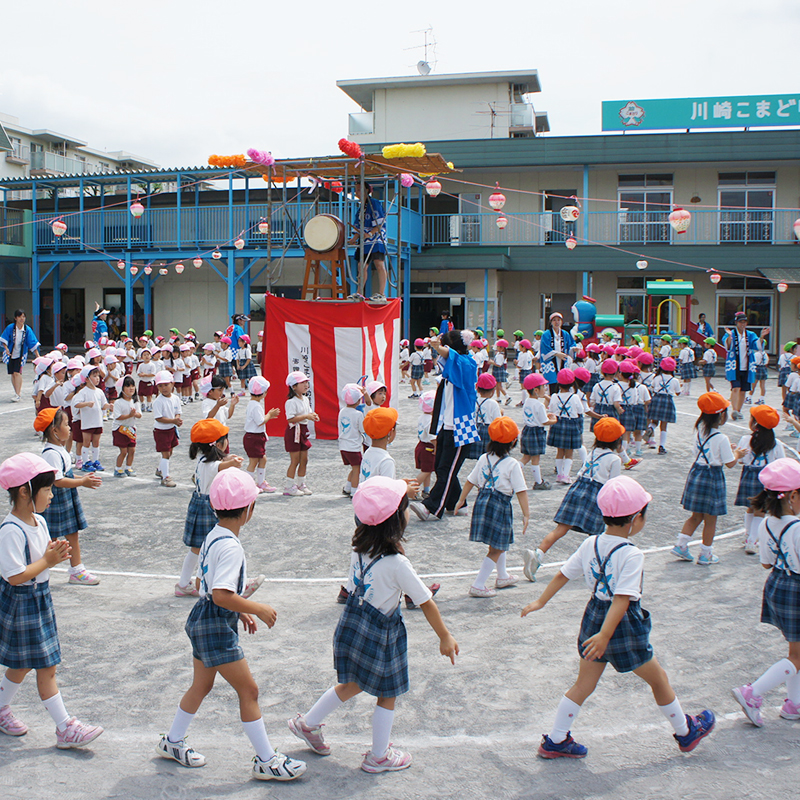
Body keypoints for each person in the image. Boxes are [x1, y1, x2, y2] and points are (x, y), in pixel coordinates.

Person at [522, 475, 715, 758]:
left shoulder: (591, 544)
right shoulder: (632, 554)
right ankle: (686, 732)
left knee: (583, 684)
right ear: (637, 519)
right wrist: (606, 634)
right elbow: (623, 599)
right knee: (658, 678)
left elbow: (564, 573)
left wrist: (541, 601)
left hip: (594, 616)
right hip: (620, 625)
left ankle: (556, 739)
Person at [287, 476, 458, 773]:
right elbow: (426, 602)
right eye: (405, 508)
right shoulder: (397, 564)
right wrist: (444, 636)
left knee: (352, 683)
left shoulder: (359, 548)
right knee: (387, 692)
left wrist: (400, 488)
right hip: (381, 631)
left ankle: (308, 723)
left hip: (355, 621)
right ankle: (379, 756)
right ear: (396, 522)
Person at [158, 469, 306, 781]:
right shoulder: (231, 546)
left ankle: (172, 741)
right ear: (249, 509)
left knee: (202, 684)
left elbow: (206, 584)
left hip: (202, 617)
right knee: (249, 690)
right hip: (214, 623)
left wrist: (239, 613)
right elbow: (223, 595)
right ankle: (266, 760)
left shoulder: (213, 535)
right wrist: (257, 608)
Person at [0, 452, 104, 748]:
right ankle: (65, 727)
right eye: (46, 489)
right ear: (24, 492)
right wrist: (47, 560)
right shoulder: (10, 530)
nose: (51, 495)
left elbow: (41, 556)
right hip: (22, 601)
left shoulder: (39, 522)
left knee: (21, 665)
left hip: (39, 599)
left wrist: (55, 553)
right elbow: (14, 576)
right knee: (47, 666)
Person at [731, 458, 800, 726]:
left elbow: (765, 562)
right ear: (793, 495)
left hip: (776, 584)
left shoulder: (766, 523)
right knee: (796, 656)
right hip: (796, 588)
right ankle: (752, 692)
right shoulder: (797, 528)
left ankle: (794, 704)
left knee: (796, 651)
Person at [523, 418, 625, 582]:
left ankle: (538, 554)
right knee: (597, 534)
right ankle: (594, 566)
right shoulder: (614, 459)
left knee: (561, 528)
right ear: (618, 440)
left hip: (579, 488)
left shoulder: (593, 453)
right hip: (597, 493)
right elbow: (613, 485)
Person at [176, 419, 252, 598]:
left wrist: (228, 458)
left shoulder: (204, 460)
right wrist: (234, 462)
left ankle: (184, 583)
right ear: (218, 444)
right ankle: (223, 584)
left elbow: (219, 462)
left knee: (198, 548)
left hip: (200, 505)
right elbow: (222, 466)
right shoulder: (212, 465)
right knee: (216, 545)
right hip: (209, 508)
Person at [409, 330, 480, 521]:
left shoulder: (467, 363)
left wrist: (437, 346)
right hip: (447, 426)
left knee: (447, 469)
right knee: (442, 467)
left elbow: (450, 356)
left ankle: (431, 507)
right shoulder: (454, 366)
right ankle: (457, 503)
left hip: (460, 428)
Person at [455, 417, 530, 598]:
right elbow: (521, 491)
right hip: (500, 505)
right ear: (513, 442)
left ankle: (502, 575)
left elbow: (470, 481)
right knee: (497, 546)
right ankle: (478, 584)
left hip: (483, 501)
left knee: (498, 543)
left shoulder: (483, 458)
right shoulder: (512, 464)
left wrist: (460, 500)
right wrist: (526, 514)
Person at [672, 393, 745, 566]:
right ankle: (706, 554)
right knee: (711, 519)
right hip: (712, 476)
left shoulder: (699, 431)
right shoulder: (721, 437)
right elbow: (730, 463)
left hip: (697, 472)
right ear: (721, 415)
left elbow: (701, 452)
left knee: (696, 515)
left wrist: (727, 449)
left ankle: (681, 545)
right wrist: (737, 453)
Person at [36, 408, 102, 586]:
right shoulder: (51, 453)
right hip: (56, 498)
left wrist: (83, 479)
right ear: (54, 431)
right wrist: (82, 482)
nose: (70, 428)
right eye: (66, 425)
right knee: (49, 537)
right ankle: (35, 568)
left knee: (70, 533)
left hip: (65, 496)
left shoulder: (60, 449)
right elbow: (58, 481)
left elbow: (67, 475)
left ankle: (76, 570)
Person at [735, 405, 784, 554]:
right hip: (766, 478)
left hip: (749, 475)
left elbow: (741, 461)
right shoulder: (776, 443)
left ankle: (749, 536)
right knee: (760, 510)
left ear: (755, 423)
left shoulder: (746, 439)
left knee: (751, 507)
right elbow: (781, 462)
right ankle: (752, 540)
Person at [722, 311, 769, 420]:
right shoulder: (731, 333)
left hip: (747, 366)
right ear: (736, 323)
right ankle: (734, 410)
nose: (742, 324)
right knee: (735, 388)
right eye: (740, 322)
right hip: (734, 366)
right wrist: (729, 336)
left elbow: (757, 345)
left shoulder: (751, 334)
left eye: (744, 322)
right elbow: (728, 347)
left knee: (743, 390)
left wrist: (761, 337)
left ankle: (738, 410)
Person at [350, 183, 388, 301]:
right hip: (364, 241)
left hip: (376, 238)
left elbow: (380, 222)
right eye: (356, 190)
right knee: (361, 266)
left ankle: (381, 293)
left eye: (358, 190)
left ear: (366, 190)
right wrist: (353, 240)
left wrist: (371, 233)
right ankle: (359, 292)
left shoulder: (374, 203)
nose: (356, 193)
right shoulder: (360, 208)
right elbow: (357, 227)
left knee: (379, 264)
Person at [547, 369, 585, 485]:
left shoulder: (554, 396)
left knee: (559, 451)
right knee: (569, 452)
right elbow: (580, 411)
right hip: (571, 423)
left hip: (558, 423)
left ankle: (559, 474)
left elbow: (551, 410)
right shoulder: (574, 397)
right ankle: (566, 475)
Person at [284, 371, 318, 496]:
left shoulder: (305, 399)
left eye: (306, 382)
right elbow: (290, 419)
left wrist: (313, 416)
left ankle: (301, 483)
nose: (306, 385)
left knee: (304, 459)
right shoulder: (291, 402)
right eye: (302, 383)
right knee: (295, 460)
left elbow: (308, 413)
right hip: (294, 432)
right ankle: (289, 486)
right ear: (293, 387)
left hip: (303, 431)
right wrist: (307, 416)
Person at [520, 372, 556, 490]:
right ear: (536, 390)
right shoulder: (538, 404)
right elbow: (544, 421)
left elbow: (536, 416)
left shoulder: (527, 402)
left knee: (526, 457)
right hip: (537, 432)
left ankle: (512, 473)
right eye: (543, 387)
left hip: (527, 430)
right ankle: (538, 481)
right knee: (535, 458)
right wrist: (554, 420)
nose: (545, 388)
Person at [243, 376, 280, 493]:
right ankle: (249, 484)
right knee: (254, 461)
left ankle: (260, 482)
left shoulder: (254, 404)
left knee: (262, 459)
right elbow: (260, 421)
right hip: (253, 436)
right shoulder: (255, 405)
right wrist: (270, 415)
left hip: (256, 436)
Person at [74, 366, 112, 473]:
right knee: (86, 442)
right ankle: (86, 462)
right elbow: (76, 404)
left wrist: (109, 406)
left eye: (98, 376)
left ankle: (96, 461)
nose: (97, 378)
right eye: (94, 376)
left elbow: (103, 405)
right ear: (87, 379)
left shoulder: (99, 391)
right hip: (87, 422)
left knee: (96, 442)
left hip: (97, 421)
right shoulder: (83, 392)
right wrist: (86, 403)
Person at [0, 309, 40, 403]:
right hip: (10, 353)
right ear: (15, 318)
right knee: (13, 374)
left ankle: (18, 394)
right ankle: (16, 392)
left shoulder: (27, 329)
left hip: (21, 354)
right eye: (20, 316)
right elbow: (4, 339)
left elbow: (32, 342)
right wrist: (6, 348)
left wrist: (37, 356)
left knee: (17, 373)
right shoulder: (10, 328)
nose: (22, 319)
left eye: (23, 316)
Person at [152, 369, 182, 488]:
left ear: (172, 384)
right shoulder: (158, 401)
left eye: (166, 385)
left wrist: (177, 419)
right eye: (160, 386)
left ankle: (160, 469)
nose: (164, 388)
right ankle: (166, 477)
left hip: (171, 429)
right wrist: (174, 420)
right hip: (161, 431)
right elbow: (159, 418)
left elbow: (178, 412)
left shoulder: (175, 398)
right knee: (165, 453)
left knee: (169, 452)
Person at [646, 357, 680, 455]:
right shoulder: (674, 380)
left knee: (654, 421)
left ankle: (651, 427)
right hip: (667, 400)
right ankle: (662, 446)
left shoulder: (657, 377)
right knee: (664, 425)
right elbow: (678, 393)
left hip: (656, 399)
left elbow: (652, 388)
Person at [338, 383, 366, 497]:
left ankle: (348, 488)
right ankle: (354, 492)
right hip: (353, 447)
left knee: (354, 468)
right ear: (358, 400)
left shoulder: (342, 411)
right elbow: (363, 429)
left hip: (343, 446)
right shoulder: (358, 414)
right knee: (357, 469)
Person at [540, 312, 576, 387]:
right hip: (551, 361)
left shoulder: (565, 334)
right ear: (551, 322)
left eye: (559, 320)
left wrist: (573, 349)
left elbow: (571, 344)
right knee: (553, 384)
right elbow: (545, 348)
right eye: (554, 320)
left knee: (563, 383)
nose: (557, 322)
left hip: (562, 360)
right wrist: (557, 354)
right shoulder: (546, 334)